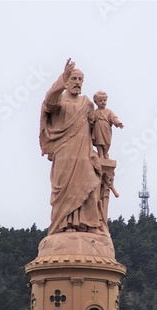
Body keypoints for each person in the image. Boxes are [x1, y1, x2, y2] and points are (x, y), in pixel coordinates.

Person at [39, 58, 108, 236]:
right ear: (67, 82)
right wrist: (62, 77)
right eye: (74, 79)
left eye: (80, 80)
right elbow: (49, 101)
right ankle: (64, 225)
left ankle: (90, 224)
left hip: (84, 153)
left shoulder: (87, 103)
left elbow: (96, 126)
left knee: (91, 184)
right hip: (64, 153)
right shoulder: (59, 102)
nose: (77, 83)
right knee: (64, 192)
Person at [89, 91, 124, 159]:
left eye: (104, 100)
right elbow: (91, 120)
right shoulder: (95, 112)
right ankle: (101, 154)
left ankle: (105, 154)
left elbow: (114, 118)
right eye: (100, 100)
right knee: (99, 141)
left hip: (106, 129)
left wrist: (118, 123)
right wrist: (91, 119)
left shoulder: (108, 111)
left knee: (107, 142)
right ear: (96, 102)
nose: (103, 102)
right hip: (98, 129)